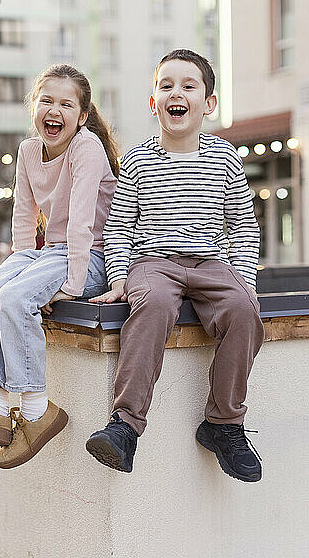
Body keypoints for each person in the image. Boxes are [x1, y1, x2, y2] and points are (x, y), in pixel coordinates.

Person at [86, 49, 265, 483]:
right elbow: (119, 228)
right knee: (153, 309)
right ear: (153, 102)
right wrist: (119, 277)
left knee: (244, 311)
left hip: (210, 262)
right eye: (166, 86)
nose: (176, 93)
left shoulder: (224, 157)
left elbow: (242, 223)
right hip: (154, 263)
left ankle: (224, 424)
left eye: (188, 86)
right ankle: (125, 426)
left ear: (209, 102)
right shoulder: (136, 159)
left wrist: (244, 279)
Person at [0, 64, 119, 469]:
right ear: (33, 107)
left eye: (66, 104)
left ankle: (37, 412)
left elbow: (83, 222)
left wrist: (69, 286)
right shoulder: (28, 151)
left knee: (15, 300)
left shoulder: (87, 148)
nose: (55, 110)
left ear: (82, 116)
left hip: (89, 258)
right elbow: (23, 214)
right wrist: (18, 262)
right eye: (46, 100)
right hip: (47, 253)